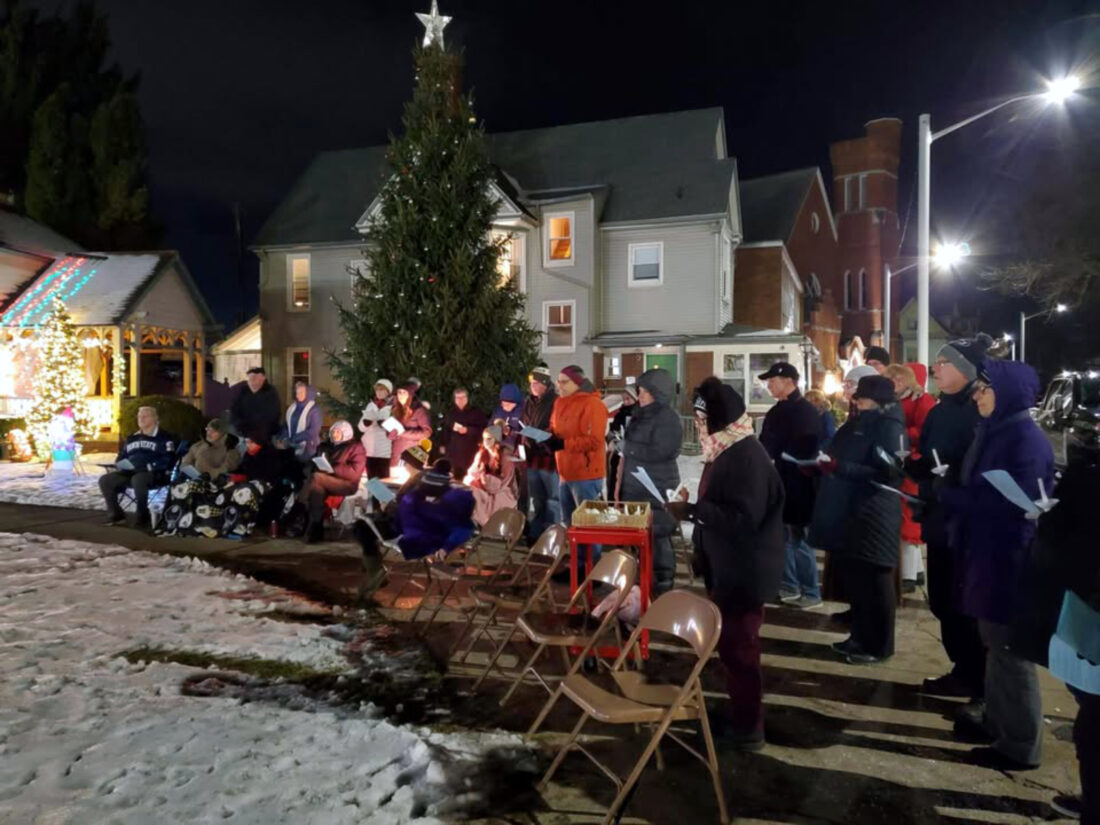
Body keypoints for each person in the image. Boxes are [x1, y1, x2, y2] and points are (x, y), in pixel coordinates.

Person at [941, 358, 1054, 770]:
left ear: (1006, 393)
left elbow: (1011, 504)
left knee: (1010, 652)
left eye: (985, 389)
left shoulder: (1023, 439)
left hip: (1008, 559)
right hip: (987, 552)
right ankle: (997, 722)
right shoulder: (996, 431)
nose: (977, 396)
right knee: (995, 646)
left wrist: (950, 497)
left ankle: (1020, 746)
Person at [666, 378, 785, 751]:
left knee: (740, 648)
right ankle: (740, 714)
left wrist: (694, 511)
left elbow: (743, 518)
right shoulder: (725, 449)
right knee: (732, 647)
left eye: (703, 419)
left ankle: (749, 727)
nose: (699, 425)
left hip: (744, 571)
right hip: (728, 566)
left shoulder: (745, 456)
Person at [906, 335, 989, 700]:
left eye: (943, 363)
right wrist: (916, 468)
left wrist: (950, 478)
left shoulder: (979, 410)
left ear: (966, 370)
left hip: (966, 525)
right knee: (942, 600)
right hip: (938, 519)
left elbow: (981, 466)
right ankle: (962, 668)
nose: (935, 369)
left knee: (965, 605)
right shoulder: (940, 410)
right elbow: (929, 455)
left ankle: (977, 678)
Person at [810, 375, 906, 664]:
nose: (857, 401)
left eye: (862, 397)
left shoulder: (889, 426)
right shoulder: (858, 422)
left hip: (875, 512)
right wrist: (821, 465)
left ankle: (878, 645)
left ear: (877, 400)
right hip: (851, 511)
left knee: (875, 581)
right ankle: (860, 637)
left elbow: (888, 472)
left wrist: (840, 467)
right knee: (858, 581)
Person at [353, 458, 476, 590]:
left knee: (362, 527)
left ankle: (375, 572)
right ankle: (373, 570)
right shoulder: (459, 492)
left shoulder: (422, 479)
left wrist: (388, 506)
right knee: (367, 524)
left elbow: (402, 503)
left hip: (407, 533)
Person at [757, 362, 822, 610]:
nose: (769, 385)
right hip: (779, 482)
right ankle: (789, 585)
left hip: (798, 485)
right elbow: (765, 443)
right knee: (782, 537)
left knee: (798, 538)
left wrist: (781, 456)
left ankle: (810, 590)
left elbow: (807, 448)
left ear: (789, 381)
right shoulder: (777, 410)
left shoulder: (804, 411)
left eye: (772, 381)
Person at [617, 369, 681, 596]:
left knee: (658, 537)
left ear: (657, 392)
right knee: (642, 539)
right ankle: (643, 585)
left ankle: (662, 588)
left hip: (656, 488)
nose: (640, 395)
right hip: (637, 487)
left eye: (644, 391)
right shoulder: (641, 413)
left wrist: (629, 448)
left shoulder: (667, 418)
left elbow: (664, 450)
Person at [548, 365, 609, 555]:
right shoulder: (559, 402)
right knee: (571, 524)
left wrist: (563, 444)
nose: (559, 386)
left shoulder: (593, 404)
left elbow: (594, 441)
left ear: (577, 383)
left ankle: (592, 564)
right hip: (565, 472)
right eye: (558, 382)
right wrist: (547, 438)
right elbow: (554, 427)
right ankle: (578, 563)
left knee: (588, 526)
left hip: (586, 474)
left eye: (564, 382)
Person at [886, 363, 935, 591]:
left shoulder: (922, 401)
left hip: (912, 462)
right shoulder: (901, 400)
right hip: (902, 461)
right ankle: (915, 571)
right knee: (906, 517)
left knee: (909, 519)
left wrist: (901, 433)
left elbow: (926, 430)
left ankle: (908, 575)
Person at [99, 405, 178, 530]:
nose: (141, 419)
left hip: (154, 474)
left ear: (154, 418)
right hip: (130, 472)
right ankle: (116, 515)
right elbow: (121, 457)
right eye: (139, 416)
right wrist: (121, 465)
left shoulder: (165, 438)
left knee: (139, 479)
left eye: (145, 416)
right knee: (105, 480)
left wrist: (148, 467)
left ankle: (142, 515)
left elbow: (169, 459)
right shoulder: (132, 438)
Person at [301, 420, 368, 543]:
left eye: (338, 432)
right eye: (333, 432)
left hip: (346, 484)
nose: (334, 435)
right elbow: (312, 462)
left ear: (346, 433)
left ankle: (298, 510)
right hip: (325, 481)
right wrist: (313, 467)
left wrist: (332, 468)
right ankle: (315, 530)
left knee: (316, 478)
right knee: (317, 490)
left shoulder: (356, 447)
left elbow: (354, 472)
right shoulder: (324, 446)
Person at [521, 364, 560, 541]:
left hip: (548, 459)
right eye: (531, 383)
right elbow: (524, 422)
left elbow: (555, 429)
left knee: (552, 499)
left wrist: (540, 436)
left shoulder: (554, 401)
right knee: (537, 499)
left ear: (544, 383)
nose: (532, 386)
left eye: (536, 383)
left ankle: (551, 537)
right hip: (532, 458)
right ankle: (536, 534)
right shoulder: (529, 402)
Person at [466, 425, 518, 525]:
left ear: (496, 439)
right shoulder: (481, 454)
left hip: (502, 491)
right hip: (485, 488)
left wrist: (485, 479)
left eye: (489, 439)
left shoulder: (506, 456)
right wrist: (477, 477)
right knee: (471, 490)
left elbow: (506, 481)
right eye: (484, 438)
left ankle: (488, 525)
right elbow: (472, 472)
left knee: (493, 500)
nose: (486, 442)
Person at [439, 386, 488, 481]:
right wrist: (443, 444)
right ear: (454, 399)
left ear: (467, 398)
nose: (460, 400)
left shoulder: (476, 413)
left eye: (463, 397)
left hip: (470, 451)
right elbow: (446, 430)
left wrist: (468, 430)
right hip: (454, 452)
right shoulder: (451, 414)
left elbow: (483, 430)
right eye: (458, 398)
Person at [229, 366, 281, 444]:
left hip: (265, 437)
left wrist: (255, 434)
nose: (251, 381)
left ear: (263, 378)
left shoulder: (270, 392)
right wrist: (240, 429)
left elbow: (272, 416)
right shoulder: (243, 391)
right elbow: (234, 411)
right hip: (244, 435)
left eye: (255, 377)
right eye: (249, 378)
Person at [387, 383, 433, 472]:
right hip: (397, 455)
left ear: (410, 394)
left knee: (412, 479)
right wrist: (391, 432)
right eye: (399, 392)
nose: (401, 395)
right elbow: (391, 435)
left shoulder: (419, 411)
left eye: (404, 392)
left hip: (413, 455)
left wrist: (403, 433)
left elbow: (426, 432)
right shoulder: (395, 410)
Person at [277, 380, 323, 462]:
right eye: (297, 392)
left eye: (301, 392)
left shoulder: (314, 409)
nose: (298, 395)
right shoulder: (292, 408)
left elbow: (313, 431)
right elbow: (287, 426)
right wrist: (283, 438)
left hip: (308, 448)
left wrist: (293, 439)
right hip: (291, 446)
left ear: (308, 393)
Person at [606, 385, 638, 498]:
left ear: (635, 399)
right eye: (624, 399)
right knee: (614, 487)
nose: (625, 402)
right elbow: (611, 431)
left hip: (633, 460)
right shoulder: (620, 414)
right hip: (617, 457)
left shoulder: (640, 415)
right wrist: (612, 440)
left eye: (628, 399)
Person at [359, 379, 394, 479]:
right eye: (377, 390)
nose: (378, 392)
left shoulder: (393, 407)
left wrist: (384, 424)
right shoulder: (371, 405)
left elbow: (396, 429)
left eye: (381, 389)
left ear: (388, 391)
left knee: (383, 481)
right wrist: (365, 423)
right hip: (369, 449)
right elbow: (361, 428)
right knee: (371, 481)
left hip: (383, 451)